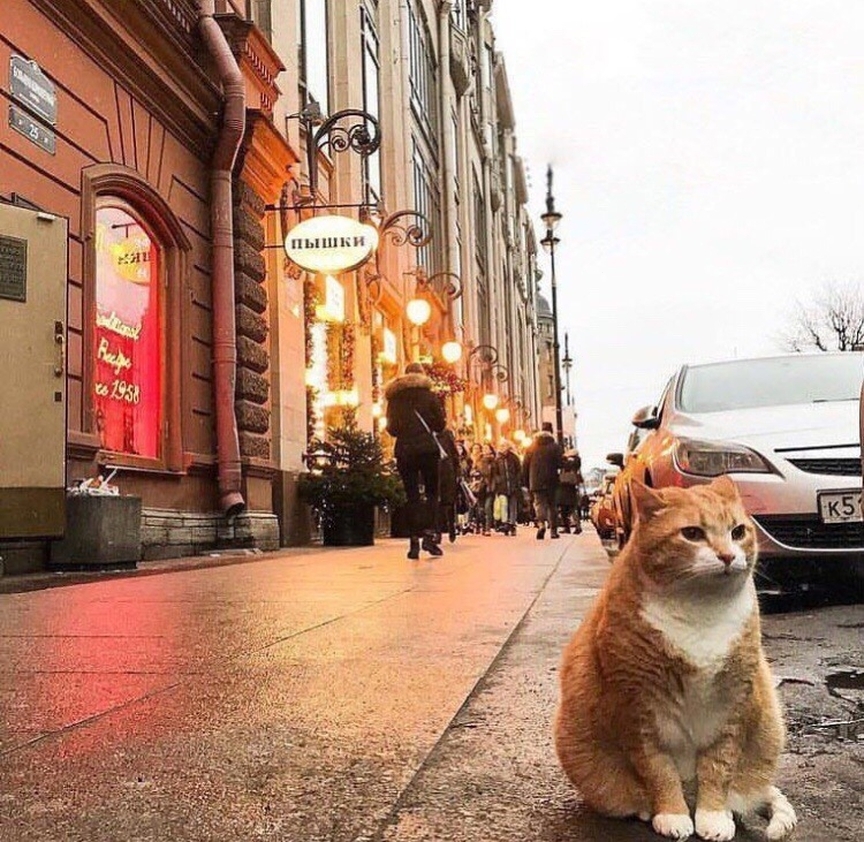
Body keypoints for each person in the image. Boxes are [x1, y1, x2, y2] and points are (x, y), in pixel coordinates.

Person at [384, 362, 447, 559]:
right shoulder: (430, 396)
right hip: (428, 450)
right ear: (422, 375)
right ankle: (429, 535)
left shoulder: (395, 398)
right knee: (431, 493)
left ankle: (413, 541)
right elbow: (440, 425)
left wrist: (405, 431)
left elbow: (391, 428)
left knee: (411, 495)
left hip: (405, 451)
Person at [522, 422, 563, 539]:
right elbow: (560, 463)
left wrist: (526, 481)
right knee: (552, 505)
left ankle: (541, 524)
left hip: (535, 480)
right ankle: (553, 531)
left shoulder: (531, 447)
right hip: (552, 480)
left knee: (539, 504)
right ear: (551, 432)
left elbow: (525, 465)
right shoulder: (555, 446)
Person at [494, 440, 522, 535]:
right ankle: (505, 523)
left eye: (504, 445)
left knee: (513, 505)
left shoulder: (514, 458)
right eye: (501, 445)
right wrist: (498, 480)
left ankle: (512, 524)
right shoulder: (498, 459)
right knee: (504, 505)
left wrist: (517, 480)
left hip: (513, 485)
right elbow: (495, 472)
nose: (502, 447)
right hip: (502, 486)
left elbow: (518, 470)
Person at [558, 449, 584, 534]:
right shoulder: (576, 461)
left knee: (566, 509)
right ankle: (574, 526)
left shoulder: (570, 460)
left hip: (565, 487)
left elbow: (565, 466)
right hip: (570, 488)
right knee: (570, 509)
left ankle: (570, 527)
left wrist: (564, 458)